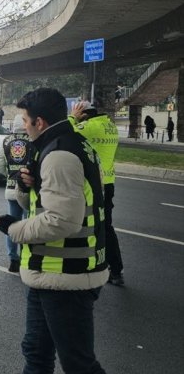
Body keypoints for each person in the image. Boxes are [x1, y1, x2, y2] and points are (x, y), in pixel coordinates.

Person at [0, 88, 134, 374]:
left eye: (25, 120)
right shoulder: (60, 146)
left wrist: (13, 228)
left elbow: (61, 221)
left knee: (80, 367)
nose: (22, 127)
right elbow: (42, 204)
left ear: (39, 121)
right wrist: (27, 188)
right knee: (37, 356)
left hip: (67, 275)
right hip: (49, 272)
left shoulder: (59, 155)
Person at [71, 100, 125, 285]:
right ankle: (116, 270)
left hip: (92, 183)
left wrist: (72, 118)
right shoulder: (111, 126)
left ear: (83, 114)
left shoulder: (87, 127)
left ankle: (86, 265)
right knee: (106, 226)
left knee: (85, 224)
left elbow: (62, 133)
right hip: (109, 182)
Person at [0, 114, 35, 272]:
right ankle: (26, 258)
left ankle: (13, 258)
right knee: (28, 226)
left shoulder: (5, 141)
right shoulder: (33, 141)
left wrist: (10, 175)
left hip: (11, 190)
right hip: (28, 191)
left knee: (12, 225)